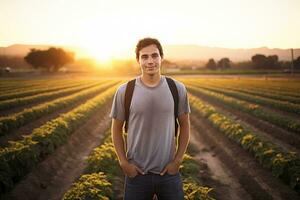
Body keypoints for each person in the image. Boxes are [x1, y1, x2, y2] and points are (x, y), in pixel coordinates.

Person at [110, 37, 190, 200]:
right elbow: (116, 129)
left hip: (168, 174)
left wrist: (177, 161)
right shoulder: (125, 91)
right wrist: (124, 163)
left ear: (161, 58)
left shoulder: (177, 89)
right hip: (136, 176)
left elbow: (185, 126)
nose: (150, 61)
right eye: (144, 57)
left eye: (154, 56)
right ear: (138, 60)